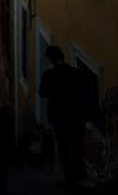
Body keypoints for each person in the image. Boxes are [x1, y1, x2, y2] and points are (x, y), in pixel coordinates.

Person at [38, 45, 89, 186]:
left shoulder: (48, 75)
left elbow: (42, 93)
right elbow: (85, 88)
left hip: (59, 117)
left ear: (51, 59)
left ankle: (69, 178)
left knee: (64, 148)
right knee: (78, 146)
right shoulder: (76, 73)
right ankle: (80, 175)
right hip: (77, 116)